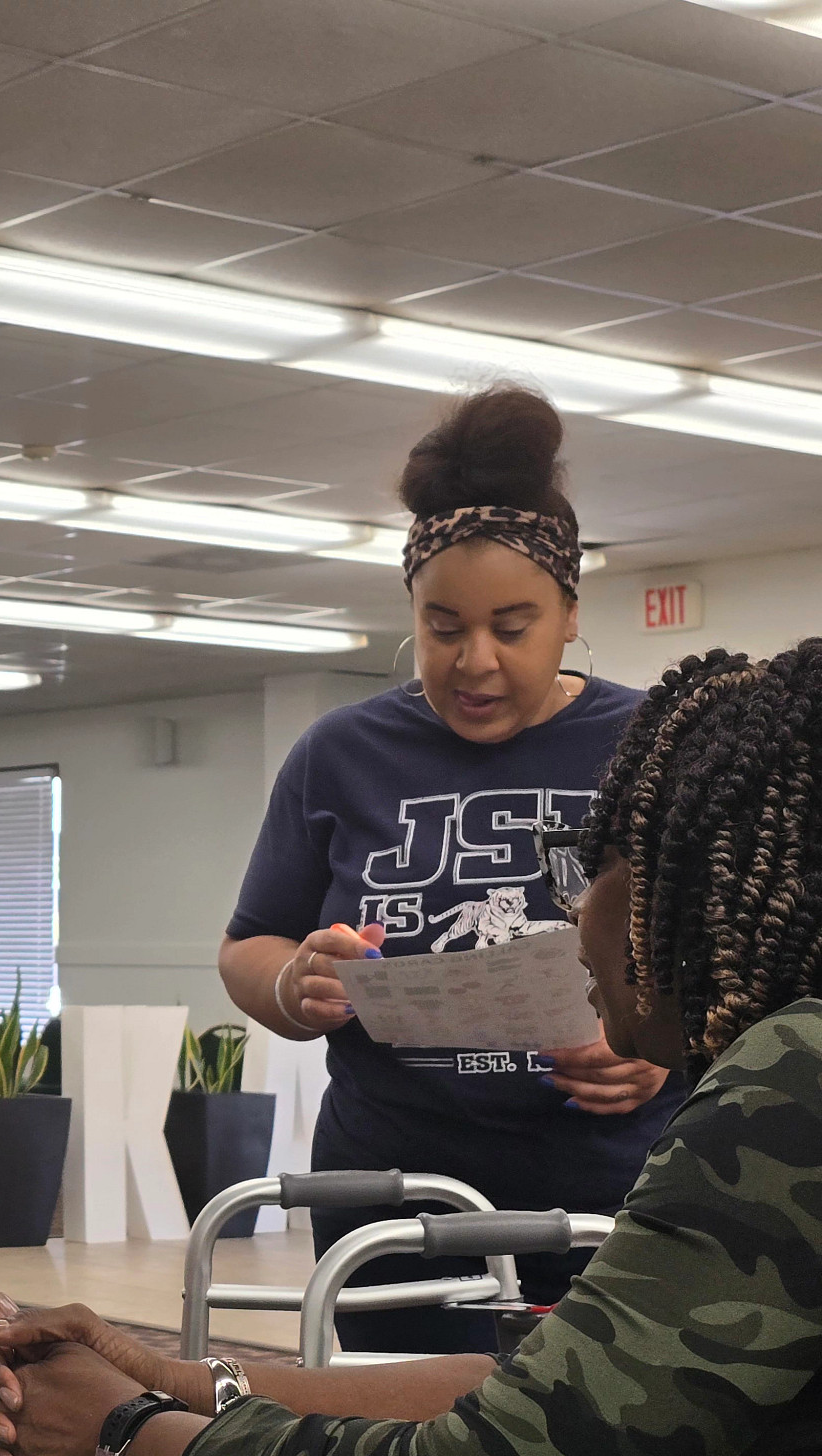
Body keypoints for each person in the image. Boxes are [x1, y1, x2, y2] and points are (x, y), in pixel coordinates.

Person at [0, 641, 822, 1456]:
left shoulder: (792, 1085)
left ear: (701, 879)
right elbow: (553, 1388)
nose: (565, 908)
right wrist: (176, 1383)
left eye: (595, 858)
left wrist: (124, 1441)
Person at [218, 385, 682, 1352]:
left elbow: (745, 977)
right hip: (391, 1195)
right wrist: (295, 982)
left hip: (615, 1197)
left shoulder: (659, 741)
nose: (475, 661)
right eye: (443, 627)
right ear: (412, 613)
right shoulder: (340, 752)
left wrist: (663, 1048)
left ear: (570, 614)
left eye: (512, 628)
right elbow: (247, 945)